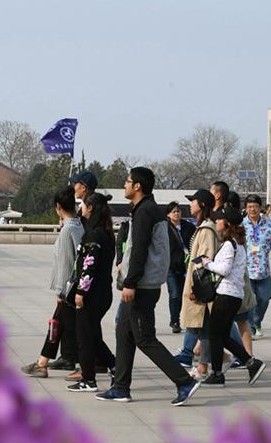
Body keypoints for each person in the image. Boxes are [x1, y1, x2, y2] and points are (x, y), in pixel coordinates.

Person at [97, 167, 201, 406]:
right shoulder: (148, 210)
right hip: (143, 283)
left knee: (144, 338)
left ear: (137, 186)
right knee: (124, 333)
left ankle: (184, 381)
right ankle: (121, 387)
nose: (124, 185)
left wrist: (130, 283)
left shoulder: (146, 212)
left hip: (141, 287)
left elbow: (140, 250)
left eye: (127, 182)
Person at [21, 186, 86, 378]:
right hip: (75, 287)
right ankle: (43, 362)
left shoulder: (68, 230)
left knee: (64, 326)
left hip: (69, 288)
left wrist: (60, 292)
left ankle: (44, 364)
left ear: (58, 206)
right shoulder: (78, 225)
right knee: (58, 325)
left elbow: (67, 263)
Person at [199, 207, 266, 387]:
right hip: (233, 295)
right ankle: (251, 363)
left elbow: (224, 269)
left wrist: (207, 263)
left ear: (226, 223)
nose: (216, 223)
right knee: (222, 335)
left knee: (214, 335)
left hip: (227, 294)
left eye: (219, 220)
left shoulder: (230, 244)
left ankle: (218, 374)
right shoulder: (238, 243)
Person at [67, 193, 118, 392]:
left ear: (91, 208)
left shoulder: (94, 234)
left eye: (84, 205)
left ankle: (88, 379)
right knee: (93, 335)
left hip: (92, 293)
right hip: (102, 292)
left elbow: (90, 265)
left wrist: (81, 291)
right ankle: (115, 366)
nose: (81, 208)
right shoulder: (103, 232)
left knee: (84, 337)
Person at [174, 189, 218, 375]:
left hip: (199, 284)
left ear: (202, 205)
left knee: (203, 325)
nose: (190, 204)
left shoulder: (207, 229)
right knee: (200, 325)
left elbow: (205, 258)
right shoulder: (202, 226)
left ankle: (203, 367)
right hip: (194, 281)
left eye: (193, 201)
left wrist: (196, 287)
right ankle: (223, 358)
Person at [243, 194, 271, 340]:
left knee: (265, 297)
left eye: (255, 206)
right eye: (249, 207)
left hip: (263, 269)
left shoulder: (268, 224)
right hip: (246, 270)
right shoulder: (242, 225)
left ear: (260, 208)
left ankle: (256, 321)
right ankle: (252, 327)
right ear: (246, 208)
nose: (252, 209)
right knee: (251, 300)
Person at [166, 201, 196, 333]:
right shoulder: (164, 228)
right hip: (171, 266)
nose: (176, 214)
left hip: (187, 265)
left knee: (185, 294)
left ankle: (184, 319)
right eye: (173, 211)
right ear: (168, 214)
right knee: (175, 294)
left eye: (178, 211)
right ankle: (174, 321)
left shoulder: (189, 227)